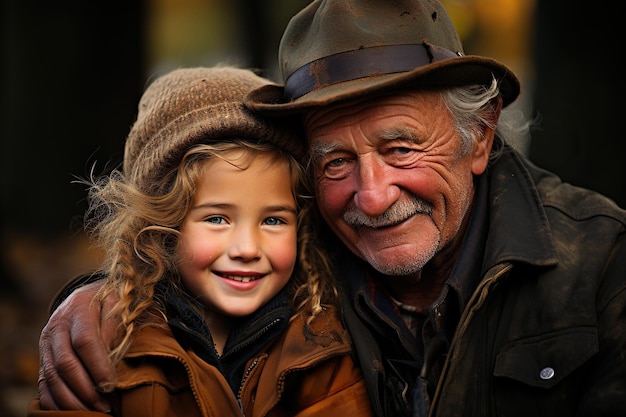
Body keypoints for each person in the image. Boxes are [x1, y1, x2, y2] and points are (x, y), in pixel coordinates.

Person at [37, 1, 626, 416]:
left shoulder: (598, 263)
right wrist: (102, 295)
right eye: (335, 162)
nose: (371, 196)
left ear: (480, 134)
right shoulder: (298, 242)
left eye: (400, 148)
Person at [27, 66, 372, 416]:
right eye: (217, 219)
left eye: (273, 220)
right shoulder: (114, 343)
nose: (247, 249)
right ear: (162, 226)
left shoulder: (319, 342)